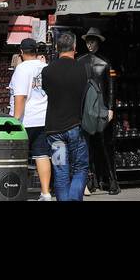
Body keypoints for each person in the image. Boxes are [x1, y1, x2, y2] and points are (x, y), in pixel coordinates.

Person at [41, 31, 89, 201]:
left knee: (60, 169)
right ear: (75, 48)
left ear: (56, 47)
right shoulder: (83, 69)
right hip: (76, 126)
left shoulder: (47, 71)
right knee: (80, 167)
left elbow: (47, 91)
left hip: (54, 131)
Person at [9, 38, 52, 201]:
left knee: (18, 157)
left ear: (21, 52)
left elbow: (20, 96)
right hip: (44, 118)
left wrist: (15, 120)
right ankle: (46, 192)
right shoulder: (45, 67)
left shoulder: (21, 69)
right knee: (42, 155)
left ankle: (17, 190)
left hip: (26, 120)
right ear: (36, 51)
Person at [77, 26, 118, 195]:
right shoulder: (80, 61)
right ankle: (91, 180)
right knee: (87, 146)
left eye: (93, 41)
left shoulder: (105, 63)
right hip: (85, 109)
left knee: (104, 146)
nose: (90, 44)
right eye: (88, 41)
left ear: (98, 42)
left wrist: (110, 108)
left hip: (100, 109)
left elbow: (111, 88)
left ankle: (112, 181)